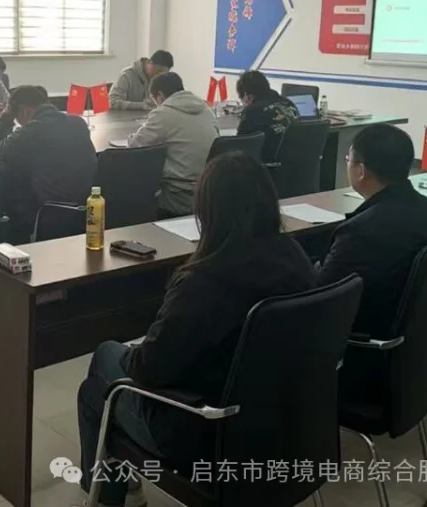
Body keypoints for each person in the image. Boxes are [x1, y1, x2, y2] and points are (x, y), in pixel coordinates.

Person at [77, 153, 317, 506]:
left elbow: (149, 370)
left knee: (102, 371)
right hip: (284, 424)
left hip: (203, 429)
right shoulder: (296, 258)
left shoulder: (205, 281)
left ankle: (111, 495)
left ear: (206, 212)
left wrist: (134, 353)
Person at [316, 124, 427, 337]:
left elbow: (320, 294)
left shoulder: (361, 231)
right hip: (407, 333)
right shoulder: (426, 209)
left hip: (359, 336)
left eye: (348, 159)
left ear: (361, 171)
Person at [0, 85, 96, 243]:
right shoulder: (78, 123)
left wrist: (5, 117)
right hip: (84, 209)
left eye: (17, 118)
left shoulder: (32, 130)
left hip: (46, 211)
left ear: (24, 111)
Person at [127, 72, 218, 217]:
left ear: (160, 95)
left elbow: (135, 146)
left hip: (177, 194)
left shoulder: (163, 113)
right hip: (208, 191)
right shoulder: (207, 110)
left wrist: (131, 137)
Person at [235, 70, 299, 162]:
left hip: (268, 165)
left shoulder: (252, 111)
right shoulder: (289, 103)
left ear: (247, 95)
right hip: (295, 162)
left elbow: (239, 147)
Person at [109, 50, 174, 111]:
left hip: (148, 117)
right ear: (150, 62)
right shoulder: (127, 75)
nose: (159, 75)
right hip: (123, 117)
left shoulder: (160, 78)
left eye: (163, 73)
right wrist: (141, 105)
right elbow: (112, 102)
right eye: (158, 71)